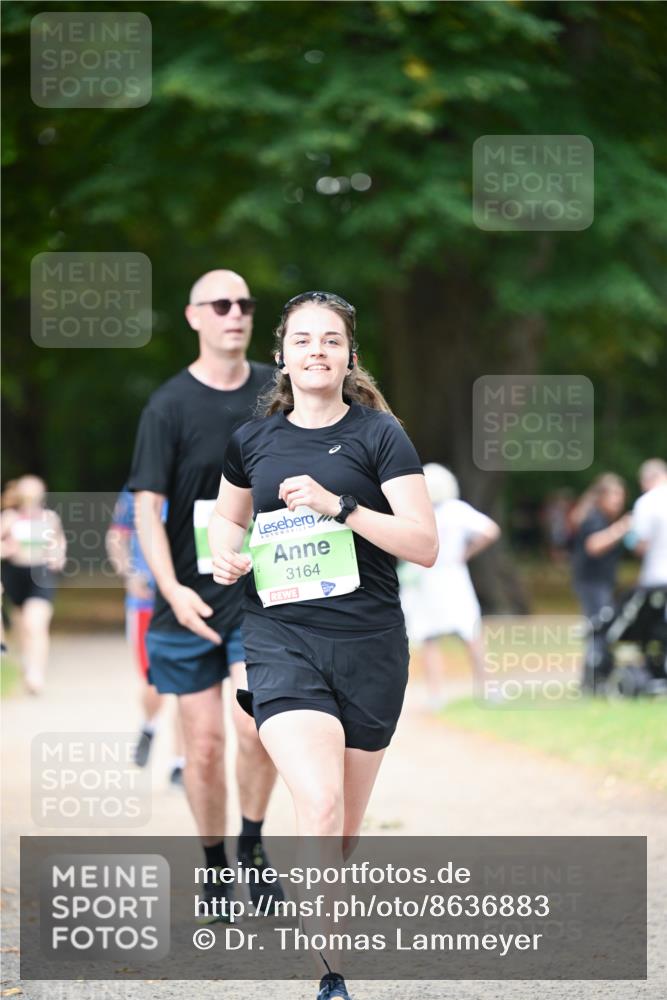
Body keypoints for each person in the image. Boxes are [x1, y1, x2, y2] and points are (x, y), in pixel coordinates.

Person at [209, 290, 438, 1000]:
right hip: (282, 637)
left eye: (330, 340)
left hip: (369, 646)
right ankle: (330, 979)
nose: (316, 350)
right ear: (281, 355)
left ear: (348, 357)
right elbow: (225, 518)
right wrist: (224, 556)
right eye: (303, 339)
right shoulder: (253, 442)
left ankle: (317, 909)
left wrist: (342, 506)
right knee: (319, 805)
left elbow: (423, 545)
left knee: (337, 836)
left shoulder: (380, 437)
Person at [128, 269, 282, 919]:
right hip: (186, 601)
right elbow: (146, 508)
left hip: (261, 594)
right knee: (205, 745)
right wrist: (170, 589)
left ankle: (252, 847)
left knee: (255, 730)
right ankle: (215, 864)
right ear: (193, 317)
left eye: (244, 304)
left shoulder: (275, 395)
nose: (235, 314)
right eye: (221, 304)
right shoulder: (167, 405)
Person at [399, 464, 500, 709]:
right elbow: (490, 530)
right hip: (452, 575)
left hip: (425, 576)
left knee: (428, 636)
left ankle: (436, 694)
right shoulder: (457, 511)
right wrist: (465, 553)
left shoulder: (416, 512)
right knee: (471, 632)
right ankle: (487, 687)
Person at [106, 485, 185, 784]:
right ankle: (149, 725)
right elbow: (117, 537)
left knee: (189, 689)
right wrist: (128, 573)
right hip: (146, 602)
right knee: (155, 682)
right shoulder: (133, 493)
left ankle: (180, 763)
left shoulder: (197, 482)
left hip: (188, 599)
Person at [0, 475, 66, 694]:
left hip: (41, 573)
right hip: (15, 573)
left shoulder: (49, 518)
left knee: (35, 622)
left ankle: (36, 673)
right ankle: (27, 661)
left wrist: (58, 556)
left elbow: (58, 544)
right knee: (21, 624)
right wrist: (6, 548)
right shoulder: (10, 518)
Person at [568, 473, 629, 690]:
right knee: (599, 627)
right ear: (601, 497)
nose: (619, 501)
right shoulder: (594, 519)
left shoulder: (601, 519)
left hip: (599, 582)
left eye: (621, 496)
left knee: (599, 628)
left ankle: (594, 677)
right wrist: (621, 528)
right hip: (592, 583)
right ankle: (592, 680)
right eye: (614, 496)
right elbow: (593, 545)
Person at [631, 458, 667, 587]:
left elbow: (641, 545)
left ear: (646, 480)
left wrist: (628, 540)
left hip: (657, 577)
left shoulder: (646, 502)